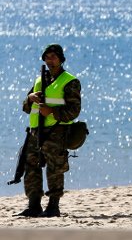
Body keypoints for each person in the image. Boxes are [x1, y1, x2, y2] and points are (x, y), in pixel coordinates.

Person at [16, 44, 82, 217]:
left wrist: (51, 111)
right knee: (30, 167)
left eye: (53, 56)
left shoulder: (70, 81)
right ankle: (34, 205)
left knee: (55, 168)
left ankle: (53, 206)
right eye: (47, 56)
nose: (50, 60)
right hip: (35, 131)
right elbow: (25, 107)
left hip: (56, 131)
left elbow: (74, 111)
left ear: (61, 59)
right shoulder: (40, 79)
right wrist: (29, 99)